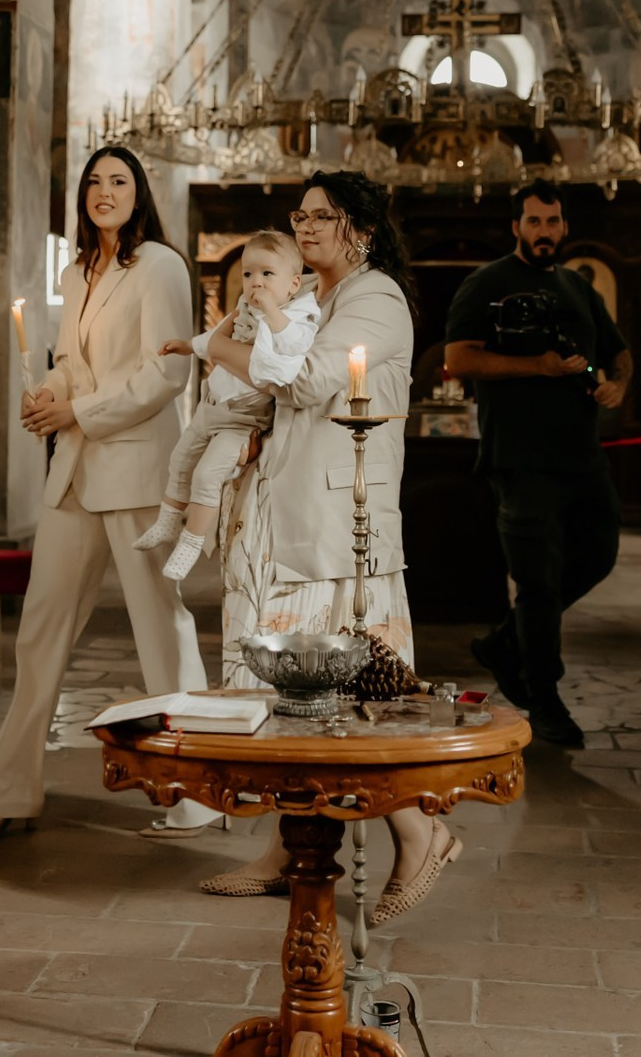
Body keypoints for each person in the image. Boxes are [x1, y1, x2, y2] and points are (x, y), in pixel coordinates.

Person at [199, 171, 458, 925]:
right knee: (293, 694)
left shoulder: (373, 296)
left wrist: (221, 345)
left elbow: (310, 382)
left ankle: (420, 833)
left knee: (350, 696)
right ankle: (290, 848)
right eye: (299, 215)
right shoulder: (321, 297)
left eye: (324, 216)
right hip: (295, 515)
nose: (305, 228)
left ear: (364, 228)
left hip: (341, 530)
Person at [0, 146, 219, 840]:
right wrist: (50, 394)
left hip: (136, 468)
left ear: (140, 195)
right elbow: (73, 362)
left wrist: (80, 410)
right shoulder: (77, 271)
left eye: (119, 181)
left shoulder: (160, 264)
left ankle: (195, 792)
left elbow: (165, 374)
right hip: (74, 469)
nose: (105, 191)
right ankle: (9, 788)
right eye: (95, 181)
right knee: (41, 631)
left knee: (160, 629)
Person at [442, 182, 632, 747]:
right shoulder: (488, 282)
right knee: (539, 582)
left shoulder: (576, 285)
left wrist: (617, 386)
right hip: (520, 458)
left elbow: (617, 350)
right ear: (516, 227)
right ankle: (544, 696)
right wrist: (540, 366)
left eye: (552, 221)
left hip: (581, 454)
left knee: (599, 554)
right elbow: (458, 358)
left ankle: (505, 643)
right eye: (533, 221)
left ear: (564, 226)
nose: (544, 231)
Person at [142, 230, 318, 582]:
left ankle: (191, 543)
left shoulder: (300, 315)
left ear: (293, 284)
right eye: (249, 273)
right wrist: (187, 345)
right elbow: (216, 336)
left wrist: (272, 313)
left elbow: (295, 347)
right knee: (180, 459)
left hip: (244, 418)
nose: (256, 283)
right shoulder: (244, 306)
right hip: (214, 405)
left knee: (208, 475)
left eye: (267, 274)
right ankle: (167, 520)